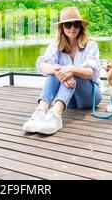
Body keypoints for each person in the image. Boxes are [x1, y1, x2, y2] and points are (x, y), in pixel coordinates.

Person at [23, 7, 102, 135]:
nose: (72, 28)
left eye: (76, 24)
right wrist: (60, 70)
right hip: (68, 100)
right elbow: (42, 66)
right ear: (62, 27)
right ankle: (41, 112)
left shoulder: (91, 45)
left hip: (90, 96)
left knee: (73, 72)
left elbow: (90, 72)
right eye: (68, 24)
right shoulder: (56, 44)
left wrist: (71, 70)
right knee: (54, 72)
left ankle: (56, 115)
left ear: (81, 27)